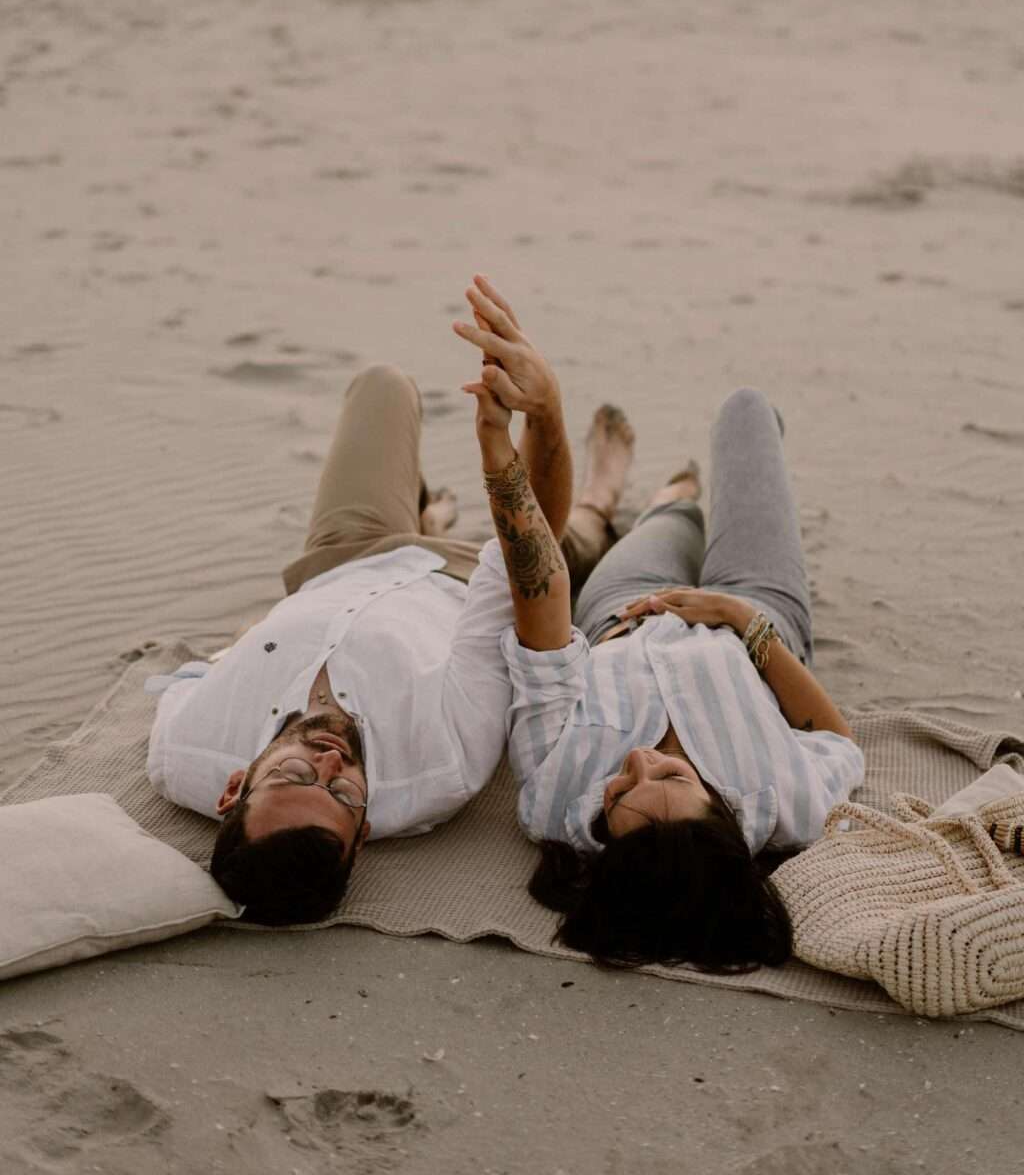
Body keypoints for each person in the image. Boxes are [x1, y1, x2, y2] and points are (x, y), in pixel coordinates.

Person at [146, 275, 635, 927]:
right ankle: (609, 491)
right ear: (367, 827)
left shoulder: (184, 748)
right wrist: (544, 414)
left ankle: (425, 515)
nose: (329, 762)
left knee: (382, 384)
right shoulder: (442, 761)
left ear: (233, 789)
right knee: (574, 539)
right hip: (457, 580)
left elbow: (195, 672)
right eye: (343, 793)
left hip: (343, 554)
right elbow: (527, 552)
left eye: (294, 777)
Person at [456, 295, 865, 973]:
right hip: (756, 614)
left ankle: (651, 501)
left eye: (619, 791)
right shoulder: (782, 802)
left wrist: (500, 448)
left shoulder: (555, 801)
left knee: (672, 524)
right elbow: (838, 744)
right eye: (670, 775)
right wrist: (743, 621)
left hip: (623, 608)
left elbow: (543, 603)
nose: (638, 761)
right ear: (725, 817)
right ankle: (672, 497)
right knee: (747, 412)